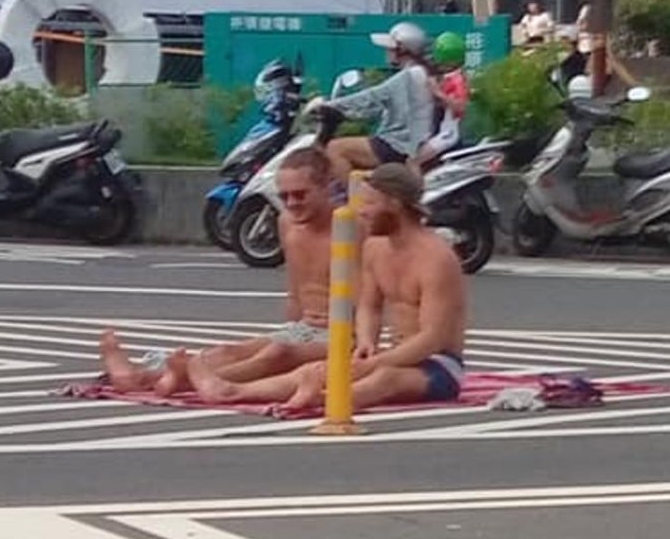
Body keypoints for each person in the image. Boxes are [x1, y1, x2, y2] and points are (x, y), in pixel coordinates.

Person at [187, 163, 467, 413]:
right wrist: (368, 342)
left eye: (369, 203)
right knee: (318, 369)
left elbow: (433, 337)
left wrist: (375, 364)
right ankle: (233, 391)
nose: (361, 212)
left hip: (438, 364)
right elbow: (369, 305)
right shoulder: (374, 247)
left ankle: (321, 399)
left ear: (394, 203)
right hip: (396, 354)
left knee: (384, 378)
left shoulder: (437, 259)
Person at [98, 147, 336, 396]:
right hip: (304, 328)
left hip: (341, 334)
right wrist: (289, 328)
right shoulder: (286, 222)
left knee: (278, 352)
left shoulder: (351, 227)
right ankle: (142, 375)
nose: (291, 203)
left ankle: (180, 379)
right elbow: (296, 288)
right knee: (228, 351)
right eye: (284, 196)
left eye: (300, 195)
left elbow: (368, 301)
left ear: (327, 187)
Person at [310, 21, 436, 198]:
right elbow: (374, 107)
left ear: (402, 50)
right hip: (408, 142)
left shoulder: (408, 76)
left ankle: (359, 202)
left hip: (398, 144)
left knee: (335, 148)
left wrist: (329, 106)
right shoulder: (419, 73)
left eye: (390, 48)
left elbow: (372, 97)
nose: (387, 52)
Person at [413, 31, 469, 168]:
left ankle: (414, 188)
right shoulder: (446, 77)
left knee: (412, 161)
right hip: (438, 130)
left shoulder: (457, 80)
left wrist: (438, 93)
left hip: (447, 134)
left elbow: (461, 106)